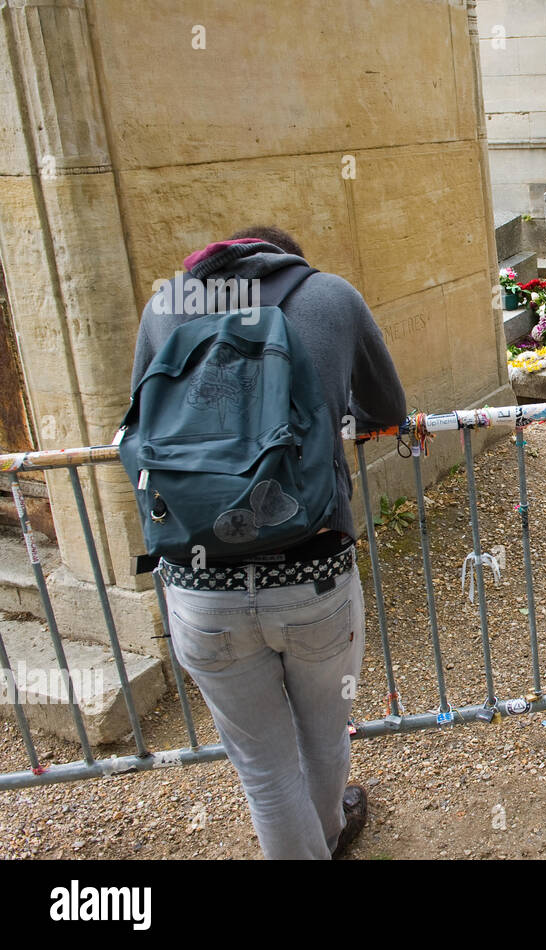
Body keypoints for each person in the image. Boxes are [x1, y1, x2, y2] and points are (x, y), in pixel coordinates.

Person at [130, 226, 407, 859]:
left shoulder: (164, 307)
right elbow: (388, 407)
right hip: (313, 571)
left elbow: (143, 425)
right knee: (325, 735)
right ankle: (332, 833)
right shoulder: (331, 296)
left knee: (265, 771)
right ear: (287, 258)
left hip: (202, 585)